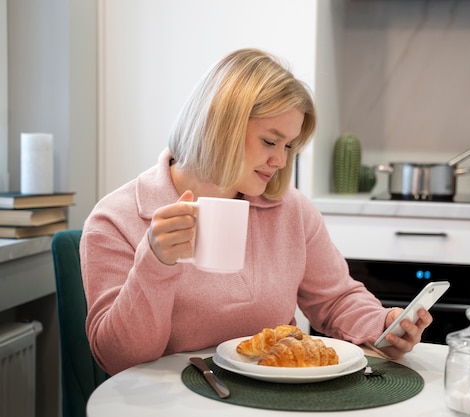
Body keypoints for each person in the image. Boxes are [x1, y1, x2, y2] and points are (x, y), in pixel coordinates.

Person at [80, 48, 433, 376]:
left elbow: (336, 298)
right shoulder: (116, 219)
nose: (280, 161)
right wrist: (155, 263)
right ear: (221, 127)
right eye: (269, 141)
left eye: (289, 146)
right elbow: (118, 359)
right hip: (174, 402)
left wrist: (383, 325)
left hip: (280, 399)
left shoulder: (291, 210)